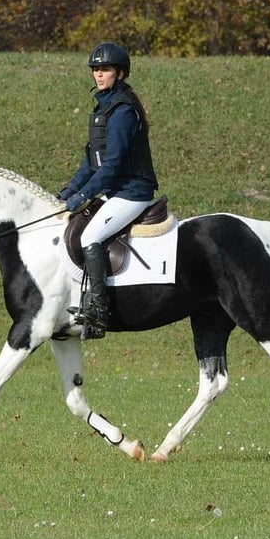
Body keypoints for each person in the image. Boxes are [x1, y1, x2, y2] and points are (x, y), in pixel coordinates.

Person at [57, 42, 159, 339]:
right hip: (115, 190)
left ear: (120, 73)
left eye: (105, 70)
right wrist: (68, 191)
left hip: (132, 192)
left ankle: (99, 311)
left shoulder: (124, 110)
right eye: (96, 70)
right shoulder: (104, 108)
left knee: (90, 236)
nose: (99, 75)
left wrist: (83, 196)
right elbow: (91, 161)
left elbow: (112, 165)